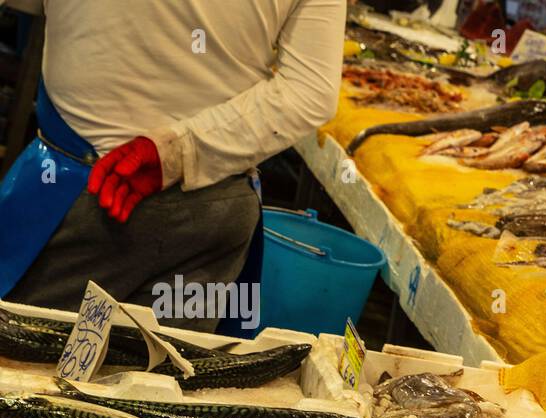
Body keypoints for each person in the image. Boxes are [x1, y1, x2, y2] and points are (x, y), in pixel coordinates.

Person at [0, 0, 345, 329]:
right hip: (211, 209)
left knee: (25, 367)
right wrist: (181, 150)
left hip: (87, 197)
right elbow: (311, 91)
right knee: (160, 378)